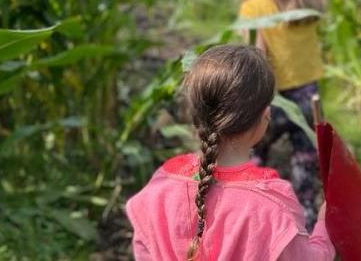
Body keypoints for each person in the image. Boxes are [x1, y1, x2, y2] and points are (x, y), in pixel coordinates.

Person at [126, 45, 335, 260]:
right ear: (266, 115)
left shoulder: (159, 189)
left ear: (196, 114)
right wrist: (323, 229)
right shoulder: (272, 206)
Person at [235, 0, 327, 229]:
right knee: (305, 163)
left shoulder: (253, 8)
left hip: (273, 99)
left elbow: (257, 56)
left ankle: (258, 222)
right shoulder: (301, 3)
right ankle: (307, 227)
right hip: (308, 98)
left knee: (253, 155)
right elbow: (322, 0)